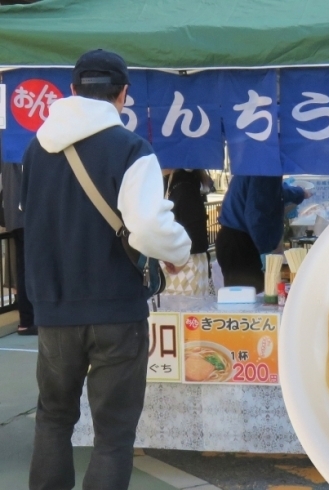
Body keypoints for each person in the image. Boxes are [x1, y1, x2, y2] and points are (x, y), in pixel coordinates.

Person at [21, 49, 191, 490]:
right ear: (123, 96)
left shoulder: (35, 151)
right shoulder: (132, 148)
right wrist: (180, 251)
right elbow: (149, 225)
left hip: (55, 310)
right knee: (113, 434)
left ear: (73, 91)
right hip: (117, 308)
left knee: (54, 419)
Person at [215, 176, 307, 292]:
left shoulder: (255, 165)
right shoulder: (265, 171)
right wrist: (267, 249)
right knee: (247, 299)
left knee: (243, 298)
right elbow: (255, 215)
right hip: (241, 243)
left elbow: (274, 192)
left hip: (233, 239)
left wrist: (299, 193)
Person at [162, 169, 213, 296]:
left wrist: (178, 261)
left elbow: (195, 237)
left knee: (186, 314)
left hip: (185, 266)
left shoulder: (184, 189)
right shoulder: (183, 186)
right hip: (185, 266)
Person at [0, 160, 36, 335]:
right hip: (30, 214)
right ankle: (30, 319)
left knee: (23, 266)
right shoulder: (28, 141)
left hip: (14, 216)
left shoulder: (6, 141)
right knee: (33, 267)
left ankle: (26, 319)